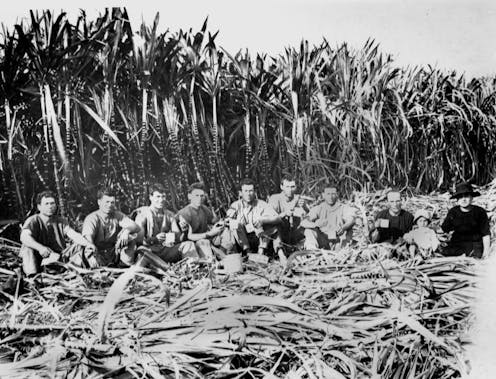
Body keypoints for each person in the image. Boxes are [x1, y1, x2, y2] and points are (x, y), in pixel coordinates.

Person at [19, 190, 96, 276]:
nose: (50, 207)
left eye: (52, 203)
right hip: (39, 258)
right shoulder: (33, 220)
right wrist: (40, 248)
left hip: (58, 256)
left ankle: (84, 270)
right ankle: (32, 277)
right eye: (46, 204)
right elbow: (24, 237)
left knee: (81, 245)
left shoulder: (60, 221)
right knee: (27, 247)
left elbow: (73, 234)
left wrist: (88, 244)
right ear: (39, 207)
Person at [135, 183, 198, 263]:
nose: (161, 200)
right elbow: (138, 241)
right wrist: (154, 240)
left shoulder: (169, 215)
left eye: (163, 196)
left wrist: (184, 231)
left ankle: (194, 266)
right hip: (149, 252)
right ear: (150, 197)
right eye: (158, 197)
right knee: (142, 250)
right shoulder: (143, 215)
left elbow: (178, 239)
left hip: (165, 251)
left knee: (188, 244)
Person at [79, 188, 141, 268]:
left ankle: (124, 263)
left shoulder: (117, 215)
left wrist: (126, 231)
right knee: (89, 249)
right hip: (97, 253)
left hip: (113, 253)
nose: (109, 205)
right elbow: (88, 240)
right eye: (107, 202)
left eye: (112, 202)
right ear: (99, 202)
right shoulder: (92, 218)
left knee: (131, 236)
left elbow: (136, 227)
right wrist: (93, 253)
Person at [177, 182, 231, 260]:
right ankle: (212, 262)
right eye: (196, 195)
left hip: (207, 239)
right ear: (189, 196)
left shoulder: (203, 208)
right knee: (203, 242)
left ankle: (228, 255)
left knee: (227, 230)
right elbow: (189, 237)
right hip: (192, 245)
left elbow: (214, 221)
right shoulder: (185, 213)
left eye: (201, 196)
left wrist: (222, 223)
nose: (199, 198)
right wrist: (210, 233)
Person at [227, 178, 281, 256]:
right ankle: (247, 253)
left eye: (251, 191)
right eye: (245, 191)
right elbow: (228, 220)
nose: (248, 194)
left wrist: (263, 220)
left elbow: (278, 218)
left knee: (270, 223)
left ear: (255, 192)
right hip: (242, 242)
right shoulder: (235, 205)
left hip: (259, 239)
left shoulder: (262, 204)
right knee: (233, 223)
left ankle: (260, 253)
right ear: (240, 193)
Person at [441, 182, 490, 258]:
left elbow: (486, 234)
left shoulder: (480, 212)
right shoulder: (453, 212)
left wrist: (486, 252)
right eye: (460, 197)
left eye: (466, 196)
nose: (463, 199)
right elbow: (444, 229)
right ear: (457, 200)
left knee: (474, 258)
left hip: (474, 244)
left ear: (471, 197)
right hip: (457, 244)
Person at [300, 185, 356, 250]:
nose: (330, 197)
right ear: (323, 195)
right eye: (328, 194)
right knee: (309, 231)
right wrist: (316, 225)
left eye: (333, 194)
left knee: (348, 231)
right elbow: (304, 222)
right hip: (323, 240)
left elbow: (351, 219)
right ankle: (312, 252)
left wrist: (344, 227)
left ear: (337, 195)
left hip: (338, 241)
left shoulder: (343, 208)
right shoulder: (319, 208)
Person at [268, 175, 309, 261]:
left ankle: (305, 252)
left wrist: (305, 207)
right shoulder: (275, 198)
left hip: (294, 233)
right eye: (287, 187)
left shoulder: (298, 198)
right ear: (281, 187)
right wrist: (284, 214)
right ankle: (281, 255)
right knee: (274, 228)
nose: (290, 190)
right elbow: (270, 219)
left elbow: (310, 216)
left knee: (308, 228)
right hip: (280, 232)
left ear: (296, 187)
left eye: (292, 187)